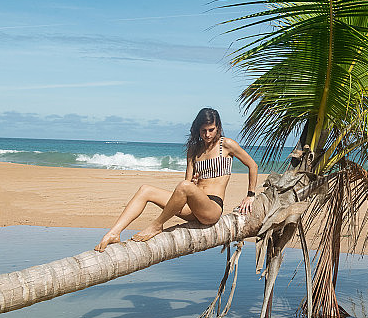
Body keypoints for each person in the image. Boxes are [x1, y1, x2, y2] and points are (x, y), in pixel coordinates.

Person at [95, 108, 258, 252]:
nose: (207, 135)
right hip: (192, 207)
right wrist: (193, 184)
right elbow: (187, 181)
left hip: (211, 209)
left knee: (184, 186)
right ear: (197, 130)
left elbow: (252, 165)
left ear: (218, 128)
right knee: (146, 190)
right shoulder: (194, 150)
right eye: (203, 131)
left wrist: (250, 195)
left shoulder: (226, 144)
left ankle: (156, 225)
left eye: (211, 130)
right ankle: (114, 233)